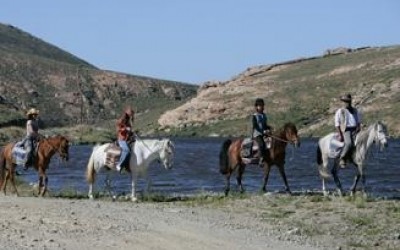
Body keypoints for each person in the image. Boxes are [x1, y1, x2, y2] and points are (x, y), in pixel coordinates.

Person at [334, 94, 361, 167]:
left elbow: (358, 121)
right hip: (346, 130)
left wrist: (358, 127)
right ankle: (342, 158)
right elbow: (337, 123)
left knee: (359, 143)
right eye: (345, 101)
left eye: (348, 101)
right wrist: (340, 134)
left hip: (355, 129)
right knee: (349, 143)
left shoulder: (355, 110)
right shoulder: (340, 111)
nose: (346, 103)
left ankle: (354, 158)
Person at [252, 98, 272, 167]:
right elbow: (255, 126)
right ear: (257, 107)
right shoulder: (254, 116)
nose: (261, 107)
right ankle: (261, 160)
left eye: (262, 105)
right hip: (257, 134)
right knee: (261, 144)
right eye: (260, 105)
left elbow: (265, 125)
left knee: (272, 142)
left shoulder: (264, 115)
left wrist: (269, 128)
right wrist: (262, 131)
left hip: (264, 133)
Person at [115, 107, 135, 172]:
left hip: (127, 139)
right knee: (126, 150)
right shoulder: (121, 120)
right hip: (121, 139)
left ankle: (128, 166)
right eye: (131, 115)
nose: (132, 117)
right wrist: (125, 129)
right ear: (128, 114)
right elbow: (118, 130)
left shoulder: (128, 122)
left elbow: (129, 131)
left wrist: (132, 133)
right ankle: (119, 164)